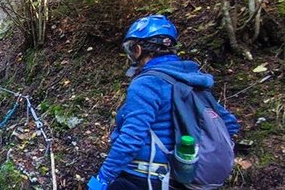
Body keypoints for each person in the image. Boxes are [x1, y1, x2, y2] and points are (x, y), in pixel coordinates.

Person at [89, 15, 239, 190]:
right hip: (185, 179)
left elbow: (131, 138)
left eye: (131, 49)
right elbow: (229, 124)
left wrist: (102, 179)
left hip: (147, 178)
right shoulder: (193, 79)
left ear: (138, 49)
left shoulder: (147, 83)